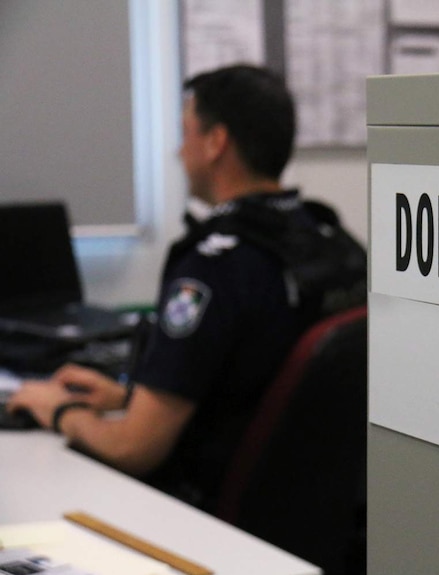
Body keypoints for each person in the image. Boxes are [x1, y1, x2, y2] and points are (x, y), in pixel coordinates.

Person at [6, 64, 366, 512]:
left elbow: (135, 449)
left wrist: (57, 409)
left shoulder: (215, 269)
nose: (179, 152)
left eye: (186, 133)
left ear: (216, 143)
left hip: (212, 516)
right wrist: (127, 398)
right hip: (314, 510)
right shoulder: (332, 242)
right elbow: (264, 394)